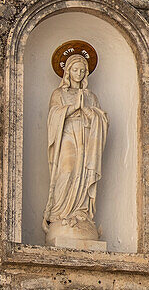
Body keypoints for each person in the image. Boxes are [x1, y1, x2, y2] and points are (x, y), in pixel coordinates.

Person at [43, 53, 109, 249]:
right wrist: (72, 109)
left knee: (83, 174)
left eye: (82, 70)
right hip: (68, 135)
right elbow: (53, 116)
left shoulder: (91, 96)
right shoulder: (59, 93)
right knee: (67, 170)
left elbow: (102, 120)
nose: (78, 74)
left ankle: (81, 212)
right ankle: (60, 213)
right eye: (75, 70)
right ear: (67, 72)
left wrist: (90, 113)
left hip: (87, 137)